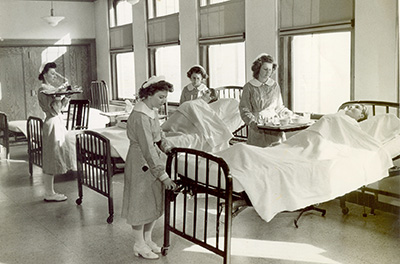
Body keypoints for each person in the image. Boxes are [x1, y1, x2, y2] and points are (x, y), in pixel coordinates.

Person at [121, 76, 177, 260]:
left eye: (165, 98)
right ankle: (138, 244)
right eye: (161, 97)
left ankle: (147, 239)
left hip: (152, 161)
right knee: (140, 203)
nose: (163, 102)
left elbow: (158, 135)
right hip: (141, 163)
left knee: (153, 201)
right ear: (149, 94)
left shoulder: (151, 112)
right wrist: (163, 176)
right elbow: (146, 148)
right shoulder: (139, 116)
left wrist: (166, 146)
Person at [239, 53, 293, 147]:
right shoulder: (249, 87)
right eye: (265, 69)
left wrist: (287, 113)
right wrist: (252, 122)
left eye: (270, 69)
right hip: (258, 127)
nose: (268, 72)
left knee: (275, 154)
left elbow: (279, 107)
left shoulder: (274, 85)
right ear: (258, 68)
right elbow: (244, 109)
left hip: (274, 125)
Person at [37, 62, 71, 202]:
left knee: (55, 156)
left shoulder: (52, 89)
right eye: (51, 74)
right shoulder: (44, 90)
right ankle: (49, 193)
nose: (54, 76)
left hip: (56, 122)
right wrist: (60, 96)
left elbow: (60, 108)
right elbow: (55, 110)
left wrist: (66, 97)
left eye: (55, 74)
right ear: (44, 75)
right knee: (51, 158)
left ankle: (50, 191)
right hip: (52, 124)